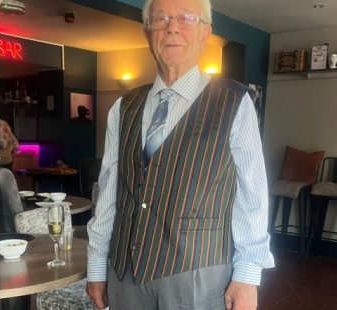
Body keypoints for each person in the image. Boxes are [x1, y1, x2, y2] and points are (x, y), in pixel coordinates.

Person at [86, 0, 274, 309]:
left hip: (198, 275)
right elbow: (109, 193)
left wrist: (248, 275)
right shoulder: (123, 108)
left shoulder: (235, 102)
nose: (172, 27)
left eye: (186, 18)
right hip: (125, 272)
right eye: (160, 18)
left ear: (205, 33)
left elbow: (251, 196)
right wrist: (96, 265)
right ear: (148, 34)